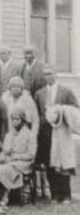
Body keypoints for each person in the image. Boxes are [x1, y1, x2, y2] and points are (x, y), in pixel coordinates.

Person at [34, 66, 78, 202]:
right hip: (46, 134)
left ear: (55, 74)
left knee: (64, 164)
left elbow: (76, 109)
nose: (48, 77)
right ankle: (54, 195)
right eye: (45, 74)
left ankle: (66, 195)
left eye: (50, 74)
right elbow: (37, 114)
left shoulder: (66, 91)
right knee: (50, 164)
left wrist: (61, 111)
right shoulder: (39, 93)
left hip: (62, 133)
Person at [0, 108, 36, 205]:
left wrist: (15, 157)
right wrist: (1, 157)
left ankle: (6, 194)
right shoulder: (9, 135)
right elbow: (4, 151)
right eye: (13, 119)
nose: (15, 122)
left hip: (24, 162)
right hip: (9, 161)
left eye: (17, 119)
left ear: (23, 120)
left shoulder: (30, 135)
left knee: (5, 169)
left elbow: (31, 155)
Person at [44, 103, 80, 204]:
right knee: (56, 173)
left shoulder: (66, 118)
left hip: (65, 149)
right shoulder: (53, 127)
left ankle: (66, 196)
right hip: (56, 151)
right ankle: (56, 195)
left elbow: (74, 126)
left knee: (65, 174)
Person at [1, 76, 39, 144]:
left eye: (18, 86)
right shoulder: (6, 100)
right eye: (13, 86)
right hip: (9, 133)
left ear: (21, 88)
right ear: (9, 88)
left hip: (24, 134)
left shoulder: (28, 100)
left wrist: (33, 135)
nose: (15, 89)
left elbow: (35, 119)